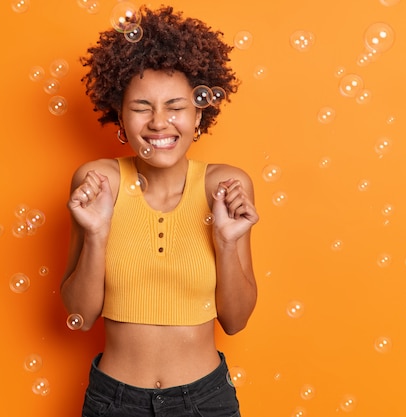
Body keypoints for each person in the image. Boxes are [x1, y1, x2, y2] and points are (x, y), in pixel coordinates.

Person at [60, 6, 259, 417]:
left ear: (199, 113)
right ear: (119, 114)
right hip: (113, 402)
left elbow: (235, 321)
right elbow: (79, 314)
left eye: (175, 106)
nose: (159, 122)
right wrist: (97, 234)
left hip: (206, 402)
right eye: (141, 107)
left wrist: (225, 241)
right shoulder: (99, 182)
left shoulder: (224, 186)